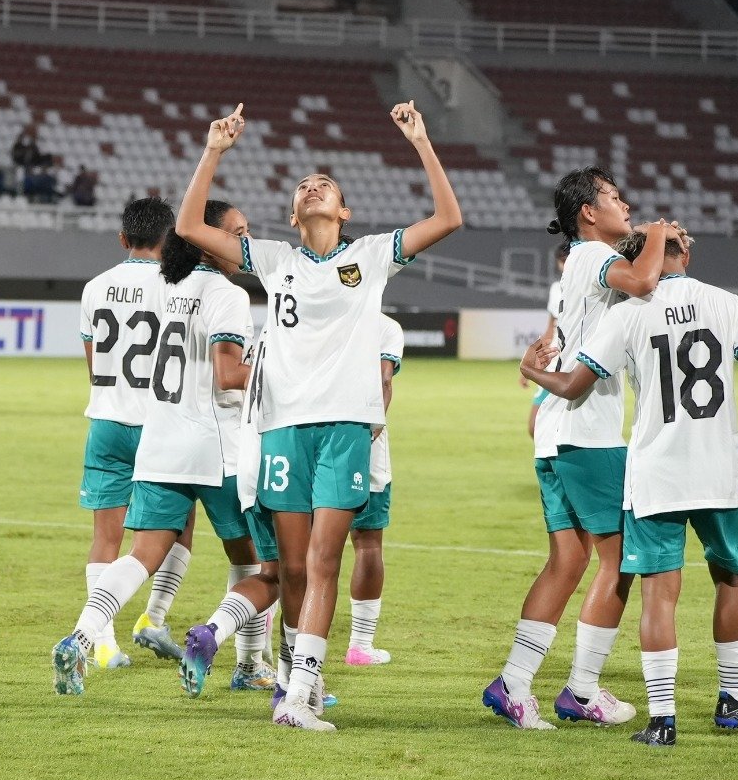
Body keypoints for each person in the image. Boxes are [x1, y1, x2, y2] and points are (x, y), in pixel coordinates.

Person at [174, 101, 463, 732]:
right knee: (295, 568)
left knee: (325, 562)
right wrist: (215, 149)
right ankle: (294, 681)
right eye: (304, 187)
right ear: (293, 213)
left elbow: (448, 217)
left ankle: (300, 693)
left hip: (346, 428)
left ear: (343, 212)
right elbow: (191, 225)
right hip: (282, 429)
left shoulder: (372, 257)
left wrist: (421, 142)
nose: (312, 187)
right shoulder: (274, 260)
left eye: (324, 186)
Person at [519, 230, 738, 747]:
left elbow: (574, 386)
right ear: (685, 254)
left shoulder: (626, 313)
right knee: (732, 579)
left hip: (656, 474)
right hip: (720, 472)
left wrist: (532, 372)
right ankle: (732, 703)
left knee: (659, 596)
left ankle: (662, 720)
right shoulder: (724, 302)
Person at [483, 167, 681, 731]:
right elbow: (643, 282)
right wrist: (660, 232)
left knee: (567, 560)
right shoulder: (593, 255)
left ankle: (515, 683)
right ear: (589, 213)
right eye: (615, 199)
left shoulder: (579, 263)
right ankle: (582, 689)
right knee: (618, 562)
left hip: (557, 431)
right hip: (588, 434)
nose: (626, 206)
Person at [53, 200, 268, 697]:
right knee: (255, 561)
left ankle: (82, 637)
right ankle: (248, 663)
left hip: (160, 440)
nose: (245, 243)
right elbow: (228, 376)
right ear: (208, 240)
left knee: (139, 554)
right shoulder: (226, 294)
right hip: (217, 448)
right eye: (237, 233)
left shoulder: (167, 287)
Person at [72, 197, 193, 679]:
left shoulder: (94, 287)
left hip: (105, 421)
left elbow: (94, 362)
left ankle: (102, 642)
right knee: (177, 527)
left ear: (123, 239)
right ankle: (154, 617)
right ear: (170, 241)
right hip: (159, 426)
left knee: (106, 536)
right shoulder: (177, 285)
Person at [345, 313, 403, 665]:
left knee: (300, 547)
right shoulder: (384, 326)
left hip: (304, 435)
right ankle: (360, 646)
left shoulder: (316, 308)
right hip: (361, 438)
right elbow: (384, 379)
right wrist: (371, 430)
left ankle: (272, 648)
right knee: (367, 541)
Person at [525, 241, 569, 439]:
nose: (564, 264)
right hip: (553, 363)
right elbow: (550, 329)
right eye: (562, 261)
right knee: (534, 428)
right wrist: (531, 365)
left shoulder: (590, 288)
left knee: (567, 429)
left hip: (573, 366)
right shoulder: (555, 289)